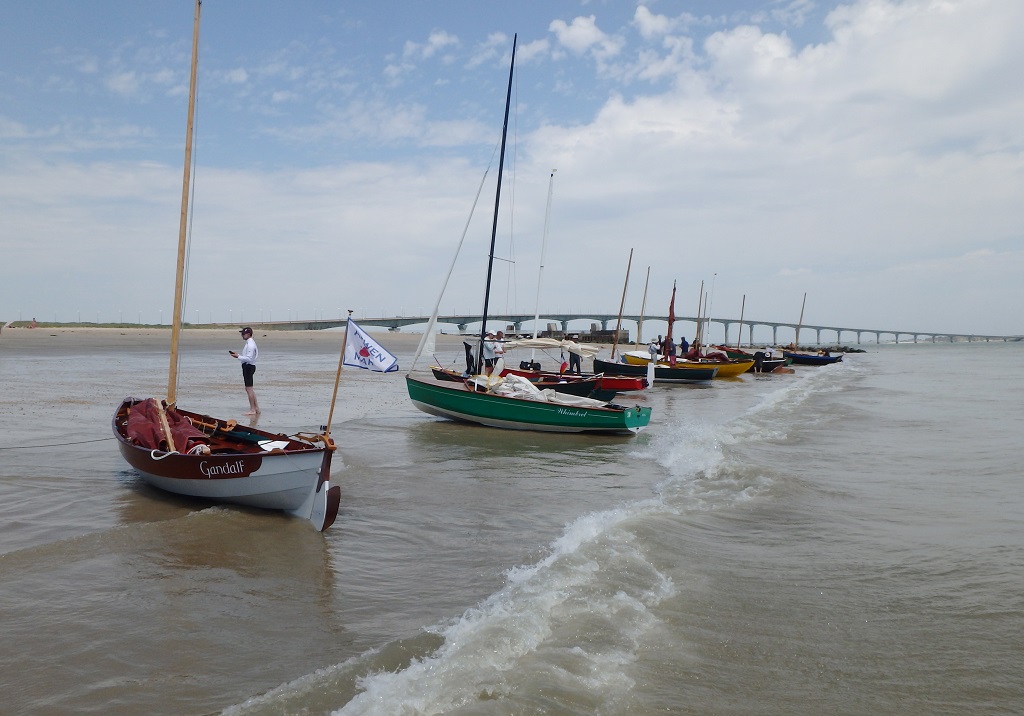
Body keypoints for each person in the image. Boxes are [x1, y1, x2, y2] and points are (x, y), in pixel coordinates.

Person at [229, 327, 260, 415]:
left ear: (249, 334)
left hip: (249, 366)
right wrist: (238, 355)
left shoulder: (250, 344)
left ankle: (252, 409)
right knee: (249, 388)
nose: (242, 335)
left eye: (243, 333)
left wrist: (238, 357)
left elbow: (249, 359)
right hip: (249, 366)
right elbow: (248, 356)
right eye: (242, 333)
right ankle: (256, 408)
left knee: (249, 388)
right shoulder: (250, 343)